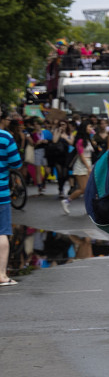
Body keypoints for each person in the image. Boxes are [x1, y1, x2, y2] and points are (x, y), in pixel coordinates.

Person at [0, 118, 22, 287]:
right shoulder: (5, 137)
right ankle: (1, 275)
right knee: (2, 233)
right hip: (1, 193)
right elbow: (16, 163)